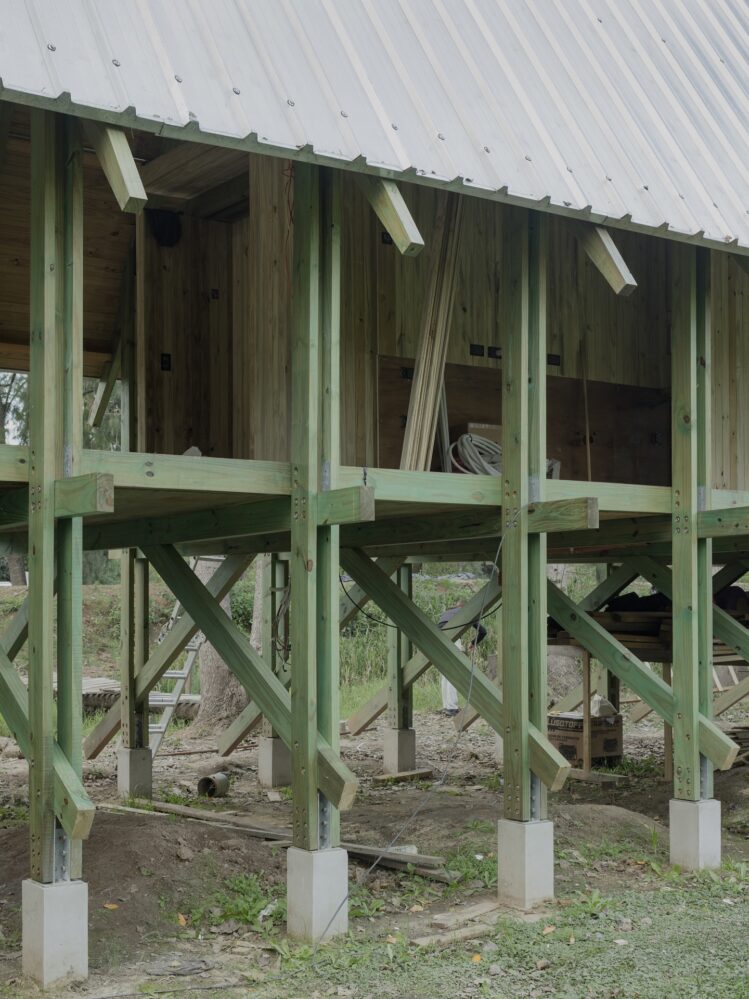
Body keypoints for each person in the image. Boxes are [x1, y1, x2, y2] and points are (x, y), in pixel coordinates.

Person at [437, 604, 488, 717]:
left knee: (445, 674)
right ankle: (452, 708)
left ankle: (446, 706)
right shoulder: (465, 612)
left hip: (438, 638)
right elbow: (483, 631)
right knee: (453, 673)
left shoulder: (447, 613)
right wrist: (474, 642)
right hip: (452, 639)